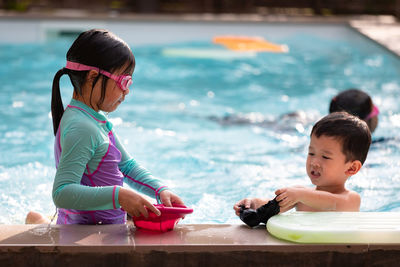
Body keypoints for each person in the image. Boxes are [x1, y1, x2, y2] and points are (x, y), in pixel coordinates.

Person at [26, 29, 183, 225]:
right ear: (93, 77)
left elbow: (126, 166)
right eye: (123, 81)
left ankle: (39, 219)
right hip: (85, 234)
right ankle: (38, 221)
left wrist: (160, 190)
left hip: (96, 225)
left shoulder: (94, 118)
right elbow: (62, 192)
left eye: (130, 82)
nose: (127, 91)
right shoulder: (82, 127)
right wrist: (119, 196)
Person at [234, 111, 371, 219]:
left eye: (325, 157)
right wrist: (253, 203)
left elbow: (331, 202)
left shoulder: (351, 199)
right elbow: (272, 206)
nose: (314, 162)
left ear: (352, 168)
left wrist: (300, 195)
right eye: (311, 153)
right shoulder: (300, 196)